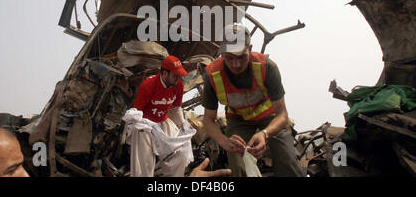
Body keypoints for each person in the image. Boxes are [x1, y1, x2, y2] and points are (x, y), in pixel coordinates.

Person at [202, 24, 304, 177]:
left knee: (286, 158)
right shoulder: (211, 75)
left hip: (270, 118)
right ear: (222, 53)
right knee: (237, 163)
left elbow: (282, 114)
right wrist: (224, 141)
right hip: (238, 120)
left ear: (250, 49)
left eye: (241, 57)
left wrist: (264, 133)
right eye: (229, 58)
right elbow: (208, 120)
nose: (236, 64)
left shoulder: (267, 67)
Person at [125, 55, 193, 177]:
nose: (178, 79)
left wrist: (183, 125)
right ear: (165, 73)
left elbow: (176, 109)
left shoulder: (178, 85)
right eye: (175, 75)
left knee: (181, 155)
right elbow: (137, 111)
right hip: (145, 126)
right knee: (144, 166)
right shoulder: (149, 85)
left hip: (163, 122)